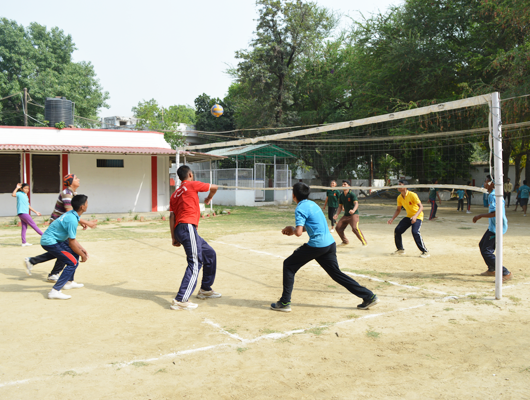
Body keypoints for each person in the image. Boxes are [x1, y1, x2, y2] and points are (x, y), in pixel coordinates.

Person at [270, 182, 378, 312]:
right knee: (336, 274)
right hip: (329, 244)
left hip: (317, 246)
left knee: (288, 265)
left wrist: (292, 229)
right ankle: (369, 296)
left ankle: (285, 302)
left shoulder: (300, 208)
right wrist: (294, 229)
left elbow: (298, 232)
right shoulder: (313, 204)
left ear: (294, 195)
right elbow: (313, 226)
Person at [23, 174, 96, 282]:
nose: (78, 179)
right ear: (71, 182)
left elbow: (73, 214)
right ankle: (54, 274)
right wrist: (87, 222)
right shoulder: (67, 194)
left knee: (61, 250)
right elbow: (69, 212)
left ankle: (34, 262)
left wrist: (80, 222)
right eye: (76, 178)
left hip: (63, 225)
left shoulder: (72, 193)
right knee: (67, 249)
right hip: (59, 226)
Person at [169, 165, 220, 311]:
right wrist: (209, 198)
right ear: (190, 175)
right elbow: (214, 187)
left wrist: (173, 236)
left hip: (181, 229)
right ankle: (181, 299)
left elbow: (172, 216)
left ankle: (205, 289)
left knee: (209, 254)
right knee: (196, 262)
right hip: (187, 227)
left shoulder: (175, 194)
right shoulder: (191, 185)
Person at [38, 195, 89, 299]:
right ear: (82, 207)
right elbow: (71, 243)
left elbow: (73, 241)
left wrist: (81, 249)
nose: (88, 204)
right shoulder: (72, 220)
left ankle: (69, 282)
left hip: (54, 240)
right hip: (50, 242)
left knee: (74, 254)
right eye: (87, 203)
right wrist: (82, 255)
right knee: (73, 262)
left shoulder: (73, 214)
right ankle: (55, 291)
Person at [472, 179, 512, 281]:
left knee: (486, 251)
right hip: (493, 226)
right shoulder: (492, 194)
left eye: (486, 182)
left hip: (497, 228)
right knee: (482, 245)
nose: (484, 184)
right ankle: (492, 269)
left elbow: (495, 212)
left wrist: (479, 216)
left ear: (492, 184)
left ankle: (505, 272)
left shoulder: (494, 195)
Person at [387, 180, 430, 258]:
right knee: (397, 230)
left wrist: (415, 216)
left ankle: (425, 251)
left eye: (400, 184)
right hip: (409, 216)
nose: (398, 186)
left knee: (415, 232)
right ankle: (400, 250)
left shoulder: (412, 195)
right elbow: (398, 209)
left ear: (405, 186)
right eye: (398, 184)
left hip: (418, 216)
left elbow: (421, 207)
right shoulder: (399, 197)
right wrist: (392, 218)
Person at [333, 180, 368, 246]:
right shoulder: (341, 196)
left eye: (345, 184)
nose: (343, 185)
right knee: (338, 228)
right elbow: (340, 207)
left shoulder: (352, 194)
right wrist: (337, 214)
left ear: (349, 186)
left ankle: (365, 243)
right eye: (342, 184)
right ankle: (345, 242)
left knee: (355, 228)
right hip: (346, 215)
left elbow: (356, 203)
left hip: (353, 215)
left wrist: (353, 210)